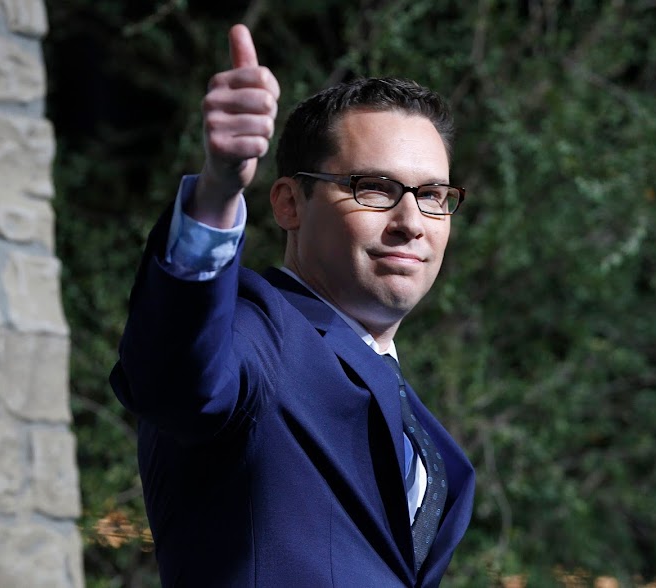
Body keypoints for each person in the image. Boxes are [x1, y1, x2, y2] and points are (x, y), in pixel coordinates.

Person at [110, 23, 475, 587]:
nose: (411, 222)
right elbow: (175, 375)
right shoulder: (258, 334)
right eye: (374, 188)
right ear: (288, 203)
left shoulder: (421, 426)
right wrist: (216, 191)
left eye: (431, 196)